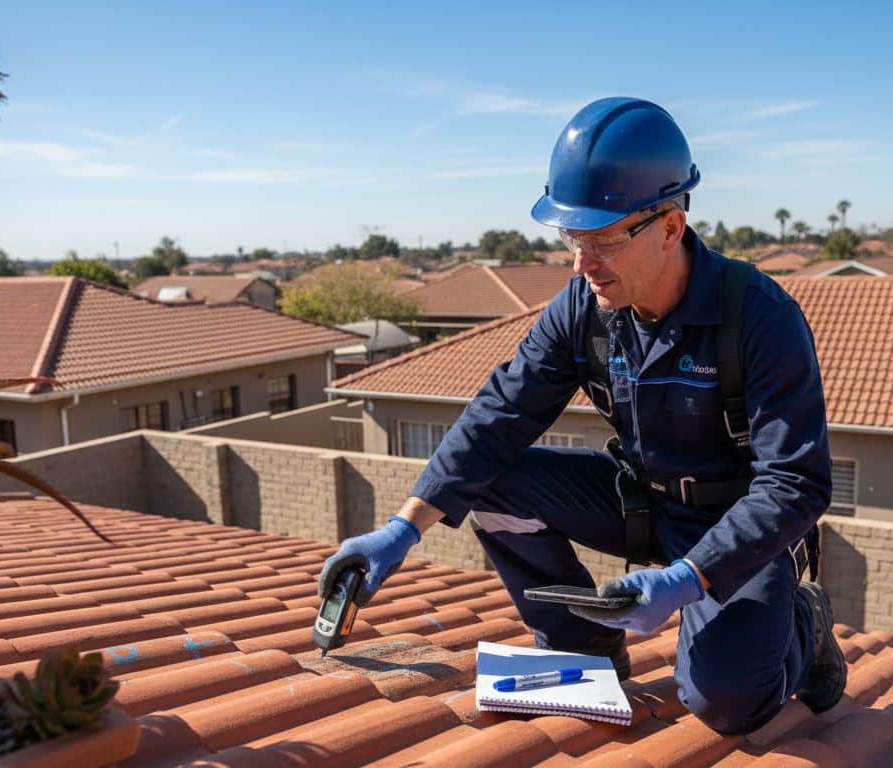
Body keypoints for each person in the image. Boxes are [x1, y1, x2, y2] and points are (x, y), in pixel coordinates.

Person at [318, 97, 845, 734]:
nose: (580, 262)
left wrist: (685, 580)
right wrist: (402, 530)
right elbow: (499, 414)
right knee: (489, 477)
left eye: (600, 241)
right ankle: (584, 648)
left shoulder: (759, 317)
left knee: (725, 701)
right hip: (642, 503)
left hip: (734, 531)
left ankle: (803, 629)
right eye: (572, 239)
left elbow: (797, 484)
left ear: (670, 227)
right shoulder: (585, 309)